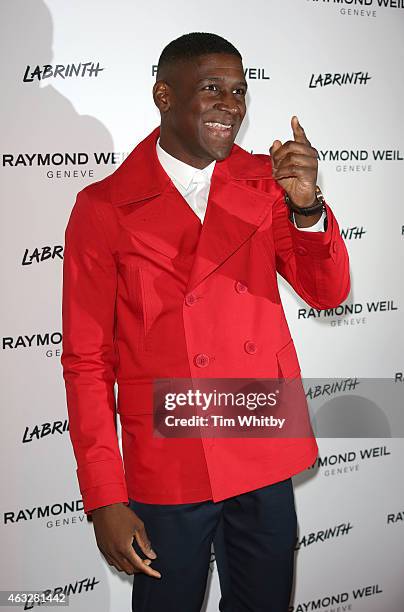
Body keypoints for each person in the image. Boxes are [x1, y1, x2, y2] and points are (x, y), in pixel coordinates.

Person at [61, 32, 350, 612]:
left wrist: (307, 207)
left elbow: (326, 293)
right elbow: (88, 361)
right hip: (170, 461)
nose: (232, 105)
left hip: (260, 440)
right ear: (163, 95)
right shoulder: (104, 206)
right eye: (212, 88)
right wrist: (104, 497)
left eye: (239, 91)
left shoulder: (267, 181)